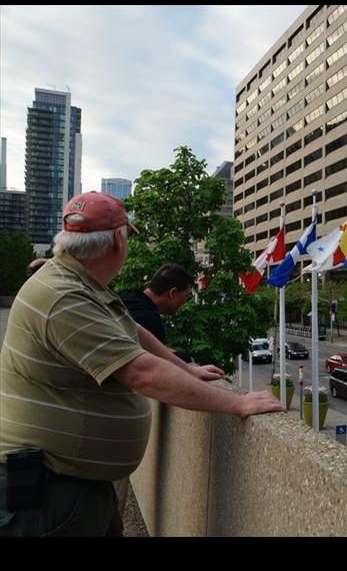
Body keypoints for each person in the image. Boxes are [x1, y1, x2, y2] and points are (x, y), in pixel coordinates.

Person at [0, 191, 284, 537]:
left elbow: (132, 332)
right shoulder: (63, 296)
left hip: (75, 486)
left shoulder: (80, 283)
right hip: (52, 497)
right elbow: (141, 372)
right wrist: (236, 403)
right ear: (118, 242)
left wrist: (187, 369)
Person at [119, 263, 195, 362]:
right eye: (187, 296)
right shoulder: (150, 321)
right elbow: (156, 362)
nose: (185, 302)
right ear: (173, 293)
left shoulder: (125, 297)